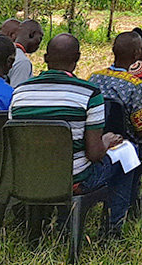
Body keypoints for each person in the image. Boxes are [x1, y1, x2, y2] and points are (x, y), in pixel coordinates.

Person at [9, 33, 135, 235]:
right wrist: (105, 140)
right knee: (127, 157)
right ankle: (112, 230)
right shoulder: (89, 93)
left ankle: (47, 222)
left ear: (45, 58)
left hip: (27, 177)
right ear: (77, 58)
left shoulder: (19, 92)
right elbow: (94, 154)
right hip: (73, 181)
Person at [9, 19, 43, 87]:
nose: (39, 44)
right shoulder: (22, 62)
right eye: (40, 38)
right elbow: (17, 92)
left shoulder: (5, 51)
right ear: (32, 34)